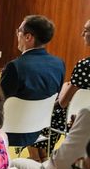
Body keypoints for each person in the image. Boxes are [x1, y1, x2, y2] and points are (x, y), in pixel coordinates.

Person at [0, 15, 65, 150]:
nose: (17, 35)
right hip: (41, 128)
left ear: (28, 37)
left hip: (12, 131)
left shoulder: (15, 66)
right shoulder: (59, 64)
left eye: (19, 31)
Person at [32, 19, 90, 158]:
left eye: (86, 30)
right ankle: (42, 159)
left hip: (78, 118)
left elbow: (64, 103)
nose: (82, 33)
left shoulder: (84, 65)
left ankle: (39, 159)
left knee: (41, 115)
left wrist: (60, 96)